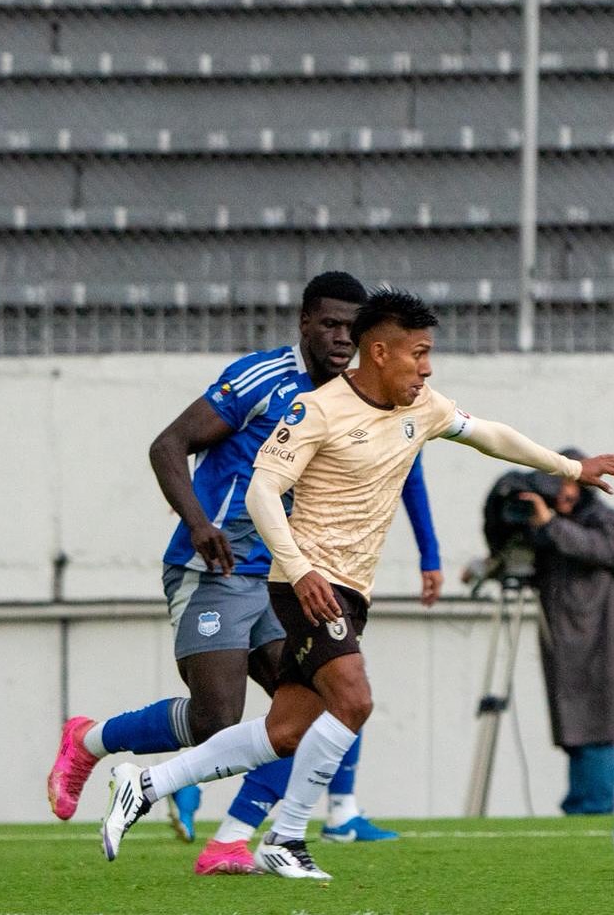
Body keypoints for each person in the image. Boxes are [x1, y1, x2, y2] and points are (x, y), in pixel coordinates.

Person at [100, 287, 614, 881]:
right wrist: (300, 571)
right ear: (379, 353)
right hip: (307, 584)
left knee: (285, 729)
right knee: (352, 700)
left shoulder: (421, 406)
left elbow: (487, 433)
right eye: (419, 354)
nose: (427, 369)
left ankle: (148, 782)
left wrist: (570, 469)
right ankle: (287, 835)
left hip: (353, 589)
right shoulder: (318, 410)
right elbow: (260, 492)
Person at [47, 271, 442, 867]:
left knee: (314, 711)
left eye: (351, 328)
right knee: (216, 716)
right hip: (217, 566)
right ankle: (88, 740)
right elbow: (168, 444)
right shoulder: (263, 378)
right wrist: (201, 523)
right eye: (329, 324)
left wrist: (428, 555)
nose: (341, 338)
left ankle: (233, 838)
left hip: (286, 577)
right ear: (305, 322)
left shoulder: (357, 399)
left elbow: (405, 467)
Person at [517, 450, 614, 815]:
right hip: (565, 644)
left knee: (599, 728)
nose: (563, 494)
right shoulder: (551, 522)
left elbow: (600, 549)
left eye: (568, 483)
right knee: (577, 731)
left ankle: (592, 806)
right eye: (555, 484)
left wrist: (550, 525)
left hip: (603, 641)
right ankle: (582, 805)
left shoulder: (604, 520)